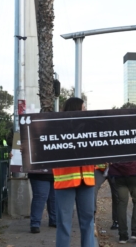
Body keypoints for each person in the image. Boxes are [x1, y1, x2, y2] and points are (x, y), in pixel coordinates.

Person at [53, 97, 95, 247]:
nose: (86, 111)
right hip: (65, 181)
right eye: (83, 108)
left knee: (88, 221)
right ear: (76, 109)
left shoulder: (90, 128)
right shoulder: (57, 128)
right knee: (64, 222)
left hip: (87, 180)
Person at [108, 160, 136, 244]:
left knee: (121, 202)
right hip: (134, 170)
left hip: (118, 171)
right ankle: (135, 231)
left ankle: (122, 235)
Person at [94, 163, 119, 236]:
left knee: (116, 193)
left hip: (114, 168)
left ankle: (116, 220)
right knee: (92, 189)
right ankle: (92, 217)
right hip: (100, 169)